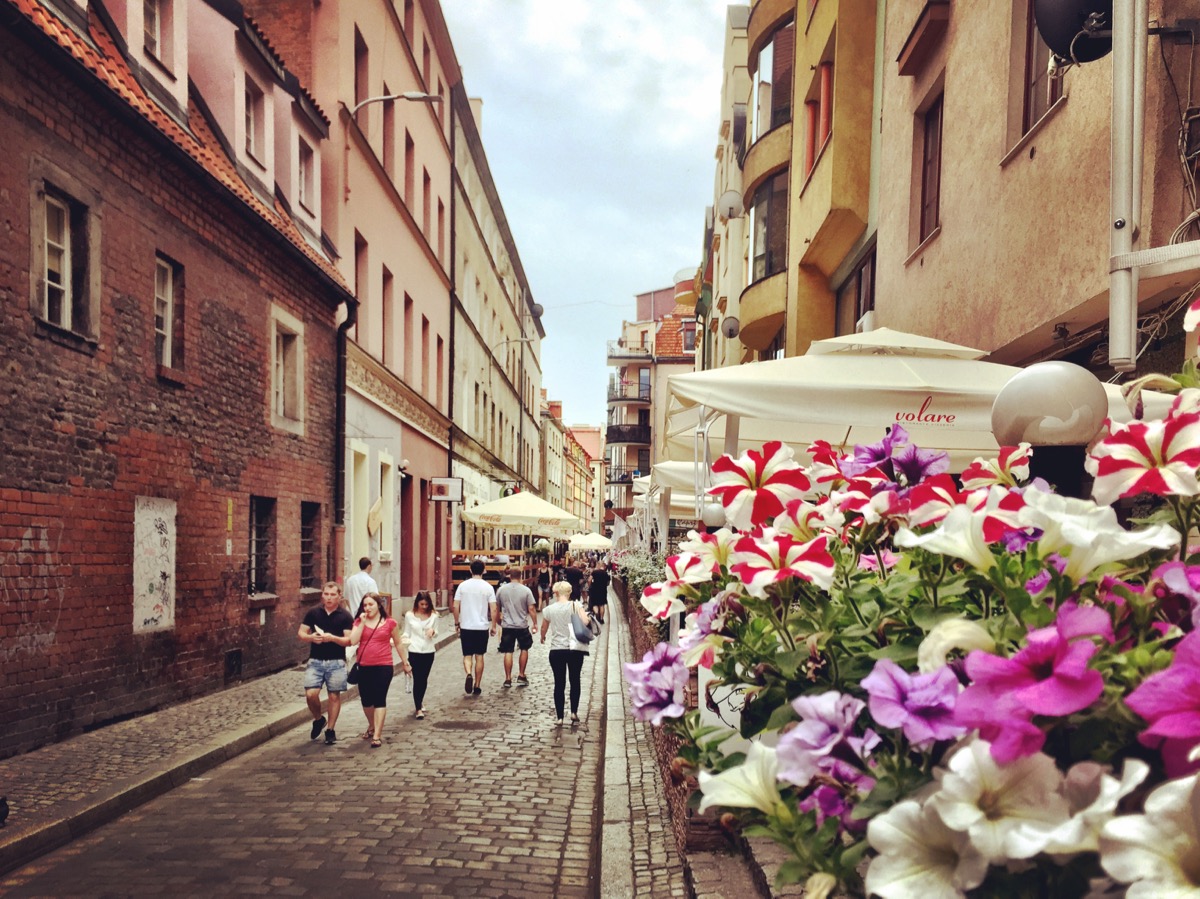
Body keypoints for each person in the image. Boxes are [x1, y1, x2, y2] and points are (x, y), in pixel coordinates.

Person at [349, 594, 410, 748]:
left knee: (379, 698)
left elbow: (398, 643)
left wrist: (405, 662)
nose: (367, 608)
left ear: (379, 605)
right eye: (365, 605)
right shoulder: (358, 621)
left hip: (383, 666)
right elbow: (353, 640)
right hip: (363, 666)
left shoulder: (390, 623)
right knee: (366, 701)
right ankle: (372, 725)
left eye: (370, 604)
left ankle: (377, 735)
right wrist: (362, 623)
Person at [298, 581, 354, 745]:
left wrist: (333, 638)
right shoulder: (313, 612)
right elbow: (301, 633)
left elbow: (348, 640)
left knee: (333, 696)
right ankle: (318, 719)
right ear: (322, 595)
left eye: (332, 595)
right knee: (311, 694)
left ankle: (330, 729)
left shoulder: (345, 616)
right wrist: (311, 638)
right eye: (326, 594)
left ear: (339, 596)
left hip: (336, 662)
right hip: (315, 661)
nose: (329, 598)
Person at [540, 580, 591, 726]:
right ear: (568, 593)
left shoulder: (549, 609)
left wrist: (542, 637)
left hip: (557, 650)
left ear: (555, 593)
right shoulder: (576, 605)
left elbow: (544, 627)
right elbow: (586, 622)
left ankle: (560, 717)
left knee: (559, 683)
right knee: (575, 680)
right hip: (574, 649)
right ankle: (574, 712)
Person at [453, 559, 497, 696]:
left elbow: (455, 606)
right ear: (484, 570)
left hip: (466, 625)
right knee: (480, 656)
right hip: (482, 627)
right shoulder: (488, 587)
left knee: (467, 655)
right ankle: (477, 684)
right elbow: (494, 609)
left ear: (470, 570)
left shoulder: (462, 586)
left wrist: (457, 622)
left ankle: (468, 673)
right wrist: (493, 625)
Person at [496, 574, 538, 688]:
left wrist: (497, 621)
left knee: (508, 651)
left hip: (508, 625)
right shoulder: (526, 590)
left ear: (510, 577)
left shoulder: (501, 590)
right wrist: (535, 623)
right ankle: (521, 675)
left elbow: (497, 607)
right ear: (520, 577)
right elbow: (531, 608)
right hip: (522, 625)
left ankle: (508, 678)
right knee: (524, 648)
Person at [404, 591, 439, 719]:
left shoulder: (434, 616)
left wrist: (433, 632)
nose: (424, 607)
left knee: (423, 679)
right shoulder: (409, 615)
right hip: (414, 650)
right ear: (417, 603)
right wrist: (402, 640)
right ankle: (418, 708)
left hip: (429, 651)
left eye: (426, 604)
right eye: (421, 604)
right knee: (417, 679)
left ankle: (420, 700)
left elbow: (437, 632)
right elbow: (407, 632)